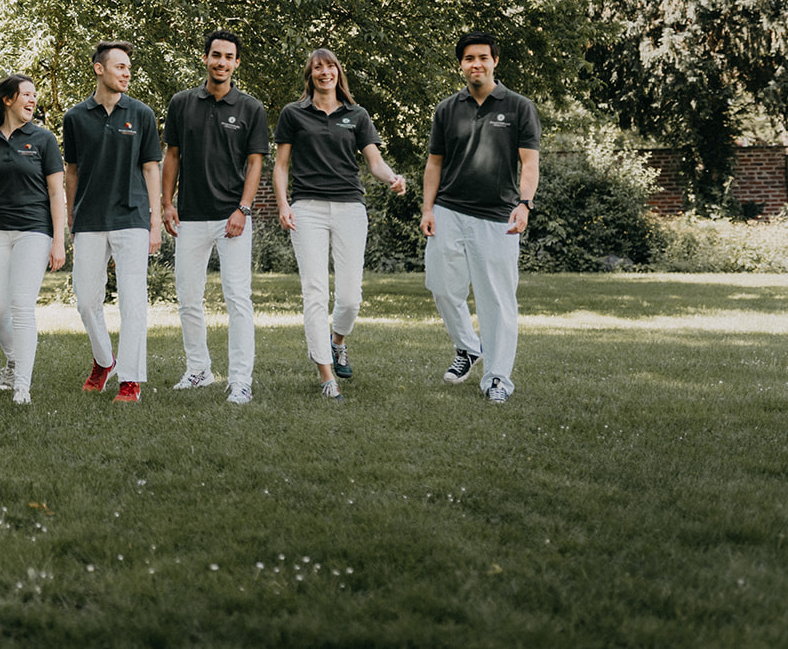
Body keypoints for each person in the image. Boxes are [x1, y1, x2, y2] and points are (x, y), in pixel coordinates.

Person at [272, 49, 406, 401]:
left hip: (349, 207)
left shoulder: (356, 115)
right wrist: (284, 204)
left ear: (338, 73)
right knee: (314, 292)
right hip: (307, 208)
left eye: (330, 66)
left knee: (350, 298)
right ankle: (326, 375)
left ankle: (338, 342)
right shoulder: (293, 113)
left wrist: (392, 178)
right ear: (310, 75)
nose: (324, 72)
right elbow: (281, 165)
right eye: (317, 67)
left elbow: (374, 161)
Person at [420, 30, 540, 404]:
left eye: (483, 58)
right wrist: (427, 208)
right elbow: (434, 164)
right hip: (448, 210)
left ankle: (497, 378)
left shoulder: (519, 107)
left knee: (497, 299)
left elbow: (529, 163)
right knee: (440, 284)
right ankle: (469, 347)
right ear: (461, 64)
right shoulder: (447, 109)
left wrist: (525, 204)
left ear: (494, 61)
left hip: (498, 216)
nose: (476, 64)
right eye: (469, 58)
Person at [161, 31, 269, 406]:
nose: (222, 62)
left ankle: (240, 380)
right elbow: (172, 155)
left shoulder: (251, 108)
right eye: (216, 55)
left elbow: (255, 163)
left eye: (228, 57)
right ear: (205, 58)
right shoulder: (182, 103)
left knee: (238, 299)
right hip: (190, 217)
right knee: (188, 299)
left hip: (232, 218)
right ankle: (198, 370)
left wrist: (243, 208)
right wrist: (167, 203)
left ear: (237, 63)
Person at [62, 41, 163, 403]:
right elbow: (71, 172)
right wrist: (71, 217)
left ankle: (130, 380)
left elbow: (151, 168)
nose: (126, 73)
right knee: (86, 300)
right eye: (120, 67)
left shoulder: (142, 114)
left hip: (131, 217)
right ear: (99, 69)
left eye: (128, 68)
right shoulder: (75, 117)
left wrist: (155, 222)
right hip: (89, 219)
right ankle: (105, 361)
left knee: (132, 302)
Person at [0, 74, 67, 405]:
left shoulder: (44, 139)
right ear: (7, 100)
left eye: (34, 95)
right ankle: (14, 359)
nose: (32, 100)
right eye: (26, 94)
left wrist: (58, 241)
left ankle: (22, 384)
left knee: (22, 306)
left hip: (33, 230)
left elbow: (56, 193)